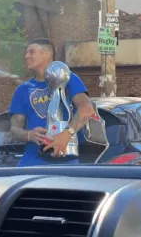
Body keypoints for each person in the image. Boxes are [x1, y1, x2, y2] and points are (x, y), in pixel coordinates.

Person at [9, 38, 97, 167]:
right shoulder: (23, 89)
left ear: (46, 54)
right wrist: (28, 135)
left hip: (65, 162)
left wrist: (66, 134)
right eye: (26, 53)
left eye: (31, 52)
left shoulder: (67, 78)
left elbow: (87, 109)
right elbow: (14, 129)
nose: (26, 56)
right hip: (31, 162)